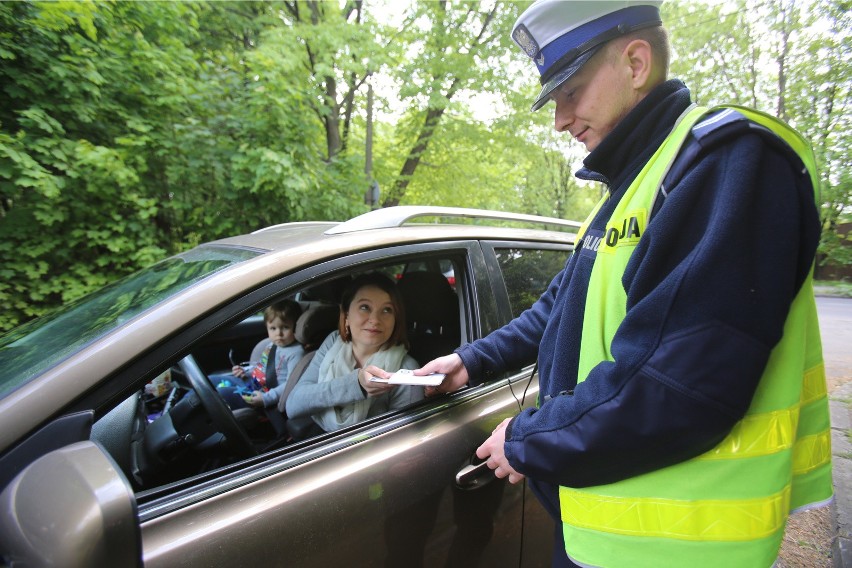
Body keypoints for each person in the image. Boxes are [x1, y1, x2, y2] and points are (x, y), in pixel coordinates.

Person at [415, 1, 832, 567]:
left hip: (681, 544)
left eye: (570, 92)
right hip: (606, 528)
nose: (559, 120)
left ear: (635, 64)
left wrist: (528, 439)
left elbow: (679, 384)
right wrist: (469, 360)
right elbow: (560, 310)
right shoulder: (633, 185)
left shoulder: (725, 161)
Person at [286, 272, 424, 433]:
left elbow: (402, 438)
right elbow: (294, 404)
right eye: (365, 307)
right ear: (346, 316)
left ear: (396, 319)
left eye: (387, 310)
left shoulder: (406, 368)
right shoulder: (333, 342)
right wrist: (356, 385)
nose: (375, 319)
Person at [216, 299, 305, 412]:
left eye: (285, 327)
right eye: (273, 328)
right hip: (251, 382)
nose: (278, 333)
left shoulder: (296, 353)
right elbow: (263, 367)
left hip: (265, 393)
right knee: (211, 380)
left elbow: (291, 384)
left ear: (296, 327)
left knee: (218, 394)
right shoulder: (272, 345)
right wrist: (245, 371)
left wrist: (266, 398)